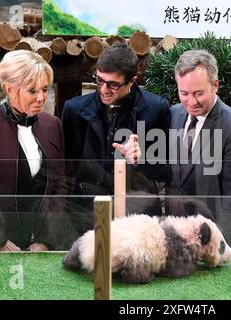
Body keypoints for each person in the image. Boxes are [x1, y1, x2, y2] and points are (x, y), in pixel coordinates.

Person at [0, 50, 75, 251]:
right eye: (32, 90)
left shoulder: (52, 125)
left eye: (45, 89)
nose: (41, 97)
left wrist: (47, 240)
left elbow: (59, 187)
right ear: (9, 89)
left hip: (42, 248)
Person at [62, 43, 170, 235]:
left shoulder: (157, 109)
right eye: (99, 80)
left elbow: (165, 170)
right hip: (86, 212)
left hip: (139, 213)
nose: (104, 89)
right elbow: (67, 168)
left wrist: (141, 158)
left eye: (113, 84)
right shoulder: (73, 110)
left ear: (131, 81)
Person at [167, 49, 231, 249]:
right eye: (184, 93)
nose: (191, 102)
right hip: (177, 235)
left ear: (215, 85)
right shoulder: (173, 114)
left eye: (198, 93)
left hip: (217, 239)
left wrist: (217, 247)